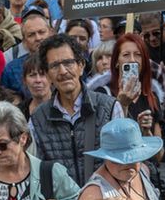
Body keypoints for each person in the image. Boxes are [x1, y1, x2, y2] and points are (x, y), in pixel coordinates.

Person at [30, 34, 117, 188]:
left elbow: (121, 162)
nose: (63, 71)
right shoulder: (38, 119)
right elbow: (36, 171)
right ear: (48, 74)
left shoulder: (109, 108)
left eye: (68, 63)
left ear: (81, 66)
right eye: (55, 65)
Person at [104, 33, 165, 144]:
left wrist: (147, 133)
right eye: (126, 55)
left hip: (146, 161)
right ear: (116, 62)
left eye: (138, 55)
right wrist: (121, 105)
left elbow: (160, 155)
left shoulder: (151, 97)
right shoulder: (104, 94)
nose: (132, 60)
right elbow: (107, 141)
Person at [0, 9, 52, 96]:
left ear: (50, 32)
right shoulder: (12, 69)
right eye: (31, 35)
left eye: (41, 32)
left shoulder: (62, 62)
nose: (38, 38)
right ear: (24, 39)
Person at [21, 52, 52, 120]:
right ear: (24, 80)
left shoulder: (63, 108)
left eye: (42, 74)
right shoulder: (19, 112)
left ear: (51, 78)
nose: (38, 80)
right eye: (32, 75)